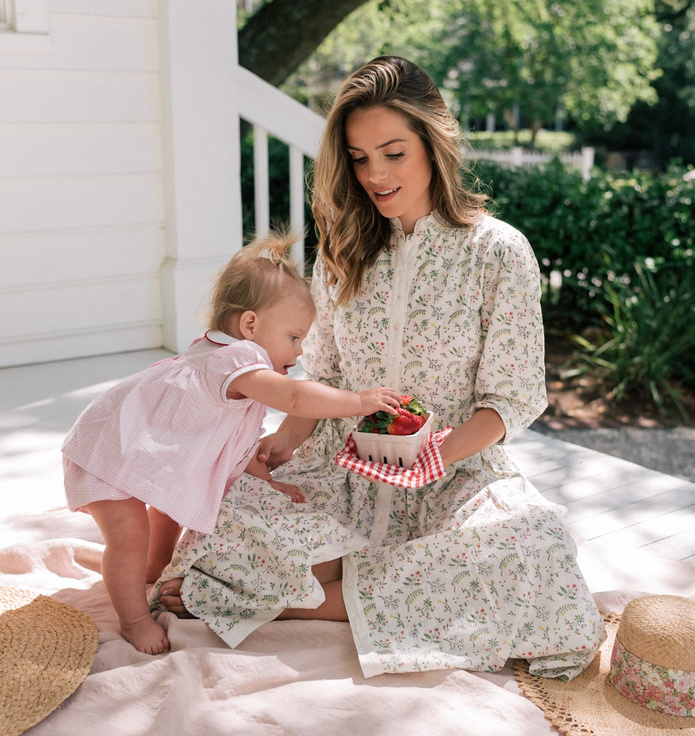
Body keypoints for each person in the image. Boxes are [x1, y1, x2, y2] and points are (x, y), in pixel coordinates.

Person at [157, 56, 605, 681]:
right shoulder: (342, 249)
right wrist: (278, 447)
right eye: (360, 157)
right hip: (341, 461)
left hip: (453, 465)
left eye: (393, 153)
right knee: (227, 510)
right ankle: (356, 587)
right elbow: (324, 372)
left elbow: (512, 397)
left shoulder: (498, 251)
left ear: (434, 141)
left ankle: (302, 601)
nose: (375, 174)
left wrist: (433, 460)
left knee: (536, 548)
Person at [62, 232, 402, 655]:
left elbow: (235, 452)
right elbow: (296, 396)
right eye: (294, 337)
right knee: (128, 533)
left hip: (138, 451)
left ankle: (151, 568)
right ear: (250, 325)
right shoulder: (239, 359)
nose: (299, 351)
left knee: (170, 507)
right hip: (108, 451)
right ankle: (133, 619)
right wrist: (358, 401)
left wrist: (270, 484)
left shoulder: (230, 364)